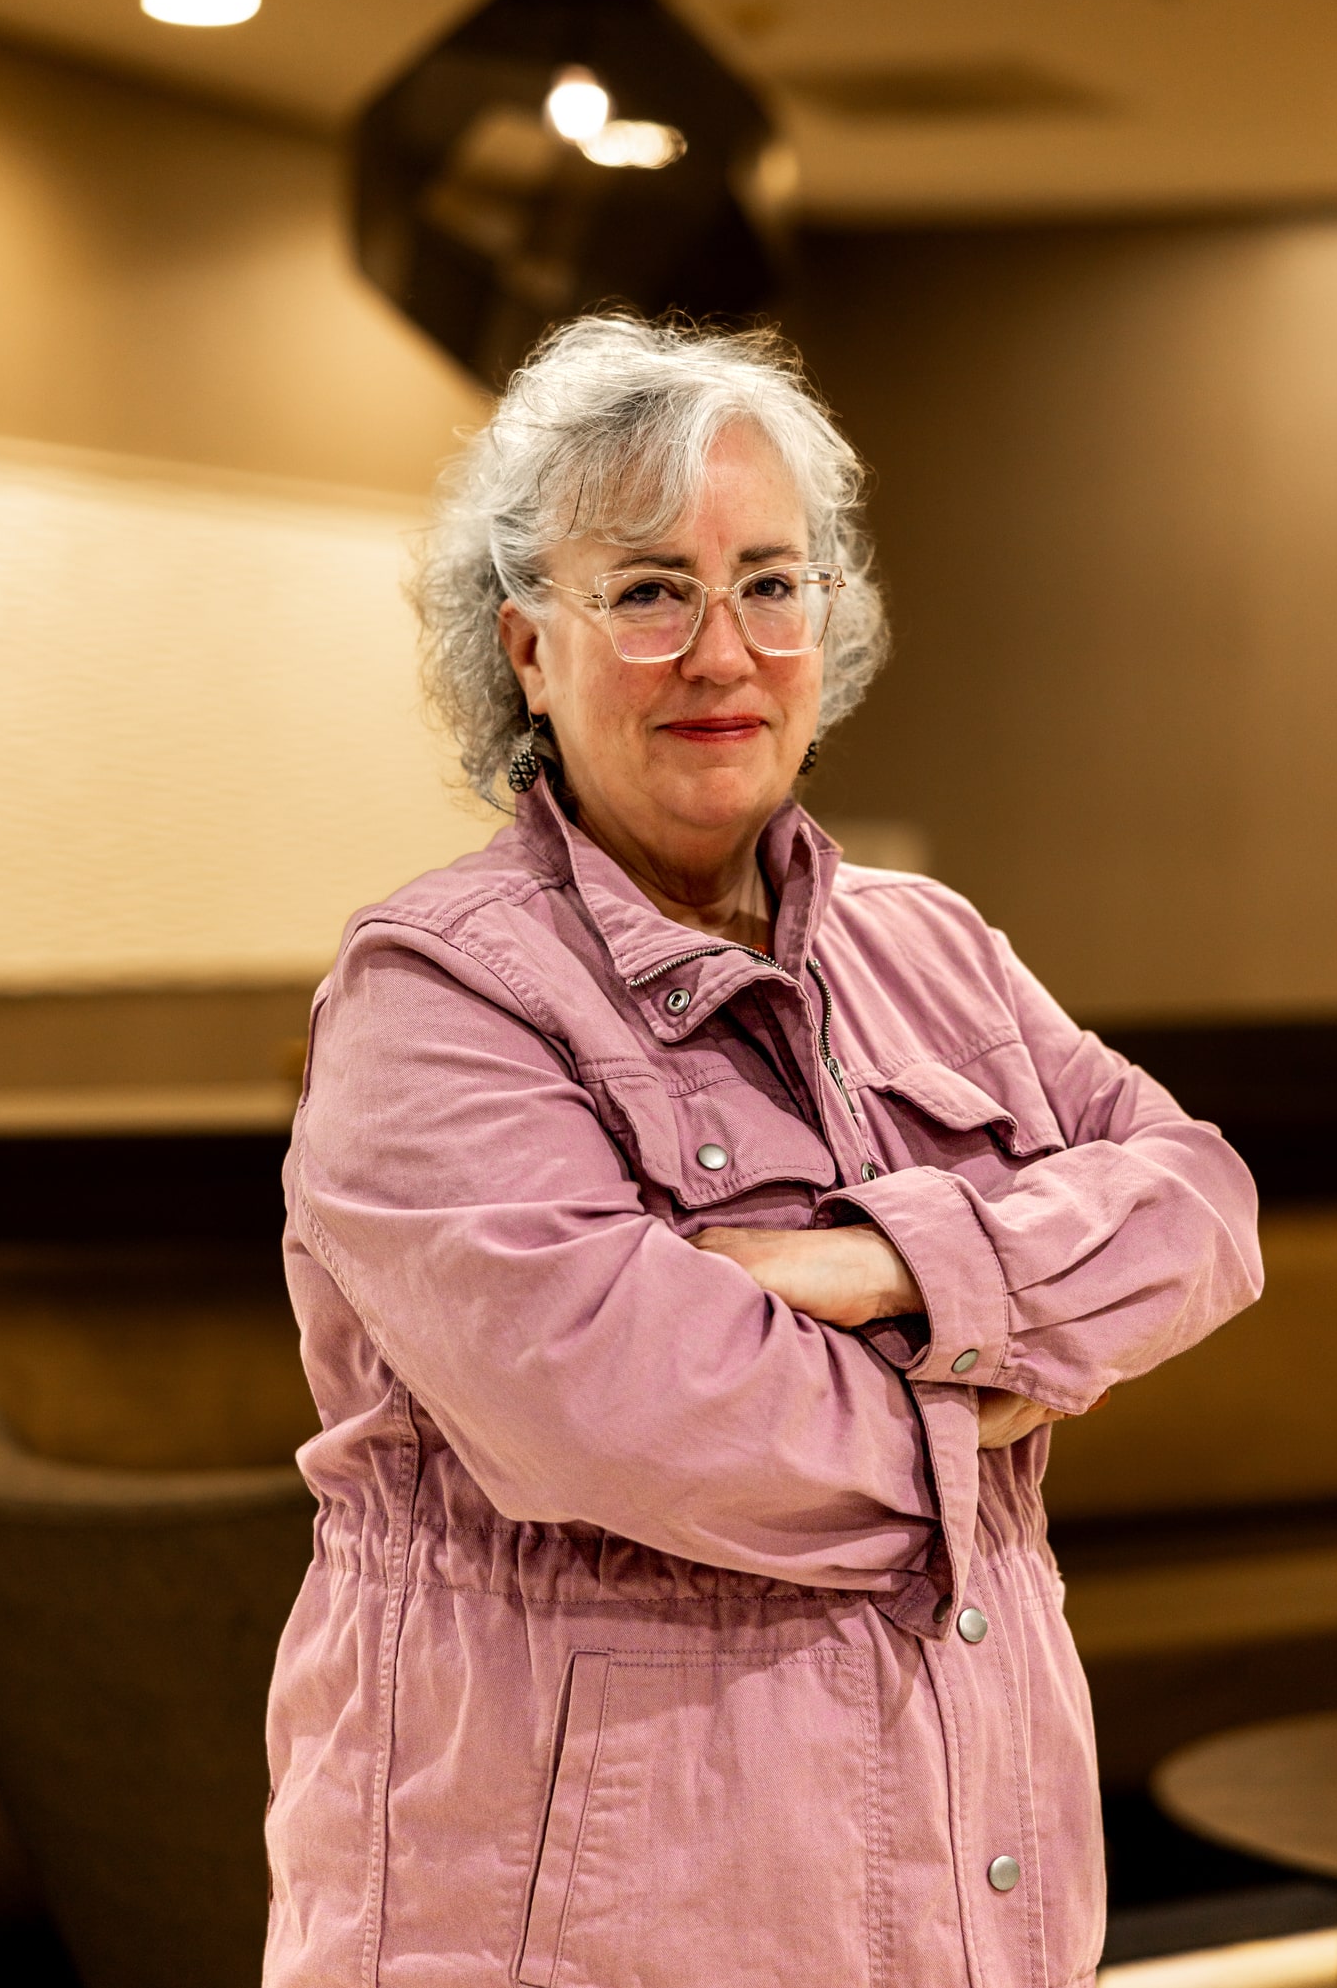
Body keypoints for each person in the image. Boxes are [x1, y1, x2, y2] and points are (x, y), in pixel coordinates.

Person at [263, 315, 1261, 1988]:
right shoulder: (433, 992)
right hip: (580, 1927)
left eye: (771, 582)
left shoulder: (929, 945)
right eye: (648, 589)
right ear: (524, 647)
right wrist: (1026, 1343)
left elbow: (1205, 1203)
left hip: (970, 1892)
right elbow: (644, 1416)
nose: (720, 650)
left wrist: (896, 1267)